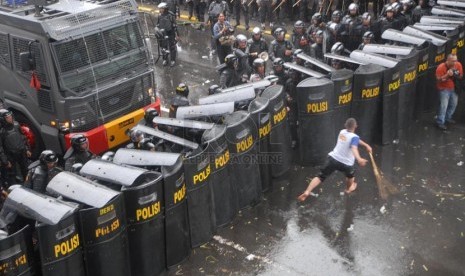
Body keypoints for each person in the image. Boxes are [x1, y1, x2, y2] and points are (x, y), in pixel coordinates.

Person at [297, 118, 372, 201]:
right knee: (350, 177)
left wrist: (366, 145)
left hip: (333, 159)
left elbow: (355, 139)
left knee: (320, 176)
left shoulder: (342, 132)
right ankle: (348, 189)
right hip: (346, 164)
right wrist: (359, 159)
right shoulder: (354, 137)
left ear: (345, 125)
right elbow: (354, 147)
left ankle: (307, 191)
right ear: (356, 126)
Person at [0, 109, 31, 185]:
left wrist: (27, 149)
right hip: (10, 155)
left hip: (22, 151)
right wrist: (5, 161)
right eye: (7, 117)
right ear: (2, 119)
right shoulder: (2, 132)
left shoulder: (16, 125)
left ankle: (28, 184)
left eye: (10, 116)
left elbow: (23, 138)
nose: (10, 118)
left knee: (25, 169)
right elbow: (0, 148)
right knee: (12, 174)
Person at [435, 54, 463, 130]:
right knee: (443, 106)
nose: (455, 62)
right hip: (444, 89)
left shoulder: (458, 65)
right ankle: (440, 122)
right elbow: (438, 80)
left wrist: (455, 74)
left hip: (454, 88)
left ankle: (448, 117)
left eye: (456, 60)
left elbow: (461, 76)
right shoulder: (441, 67)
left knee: (454, 104)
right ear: (448, 61)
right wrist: (447, 75)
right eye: (453, 61)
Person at [157, 2, 179, 66]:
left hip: (171, 33)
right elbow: (158, 24)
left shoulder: (171, 15)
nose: (160, 10)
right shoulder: (159, 15)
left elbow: (175, 25)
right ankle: (165, 59)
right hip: (163, 34)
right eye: (160, 9)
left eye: (161, 8)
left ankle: (172, 60)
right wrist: (157, 30)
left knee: (172, 47)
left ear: (164, 8)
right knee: (164, 48)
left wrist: (177, 35)